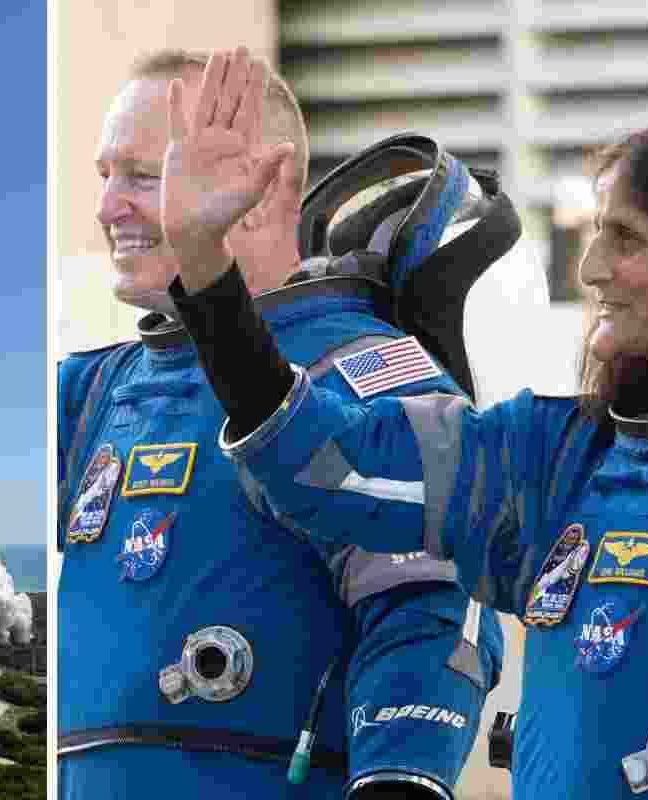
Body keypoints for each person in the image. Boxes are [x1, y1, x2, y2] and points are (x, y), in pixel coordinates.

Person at [161, 47, 648, 800]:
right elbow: (329, 466)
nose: (590, 267)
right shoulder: (560, 457)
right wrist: (205, 262)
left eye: (627, 239)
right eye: (597, 232)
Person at [57, 47, 504, 800]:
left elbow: (439, 611)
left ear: (258, 191)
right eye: (106, 177)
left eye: (143, 176)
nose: (108, 209)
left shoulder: (358, 370)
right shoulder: (96, 390)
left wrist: (400, 779)